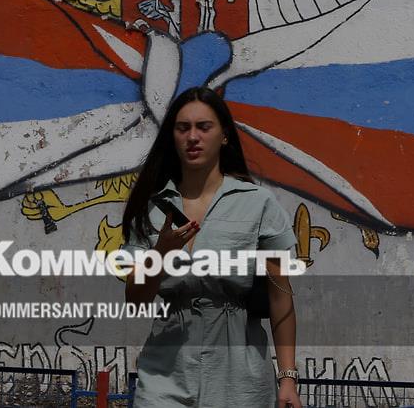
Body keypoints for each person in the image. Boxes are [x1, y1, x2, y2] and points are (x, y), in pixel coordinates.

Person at [120, 86, 302, 407]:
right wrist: (160, 255)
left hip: (239, 374)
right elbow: (135, 302)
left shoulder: (258, 204)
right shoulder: (152, 208)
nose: (193, 137)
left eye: (204, 127)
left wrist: (287, 378)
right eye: (183, 128)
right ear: (172, 137)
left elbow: (280, 297)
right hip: (166, 371)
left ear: (224, 136)